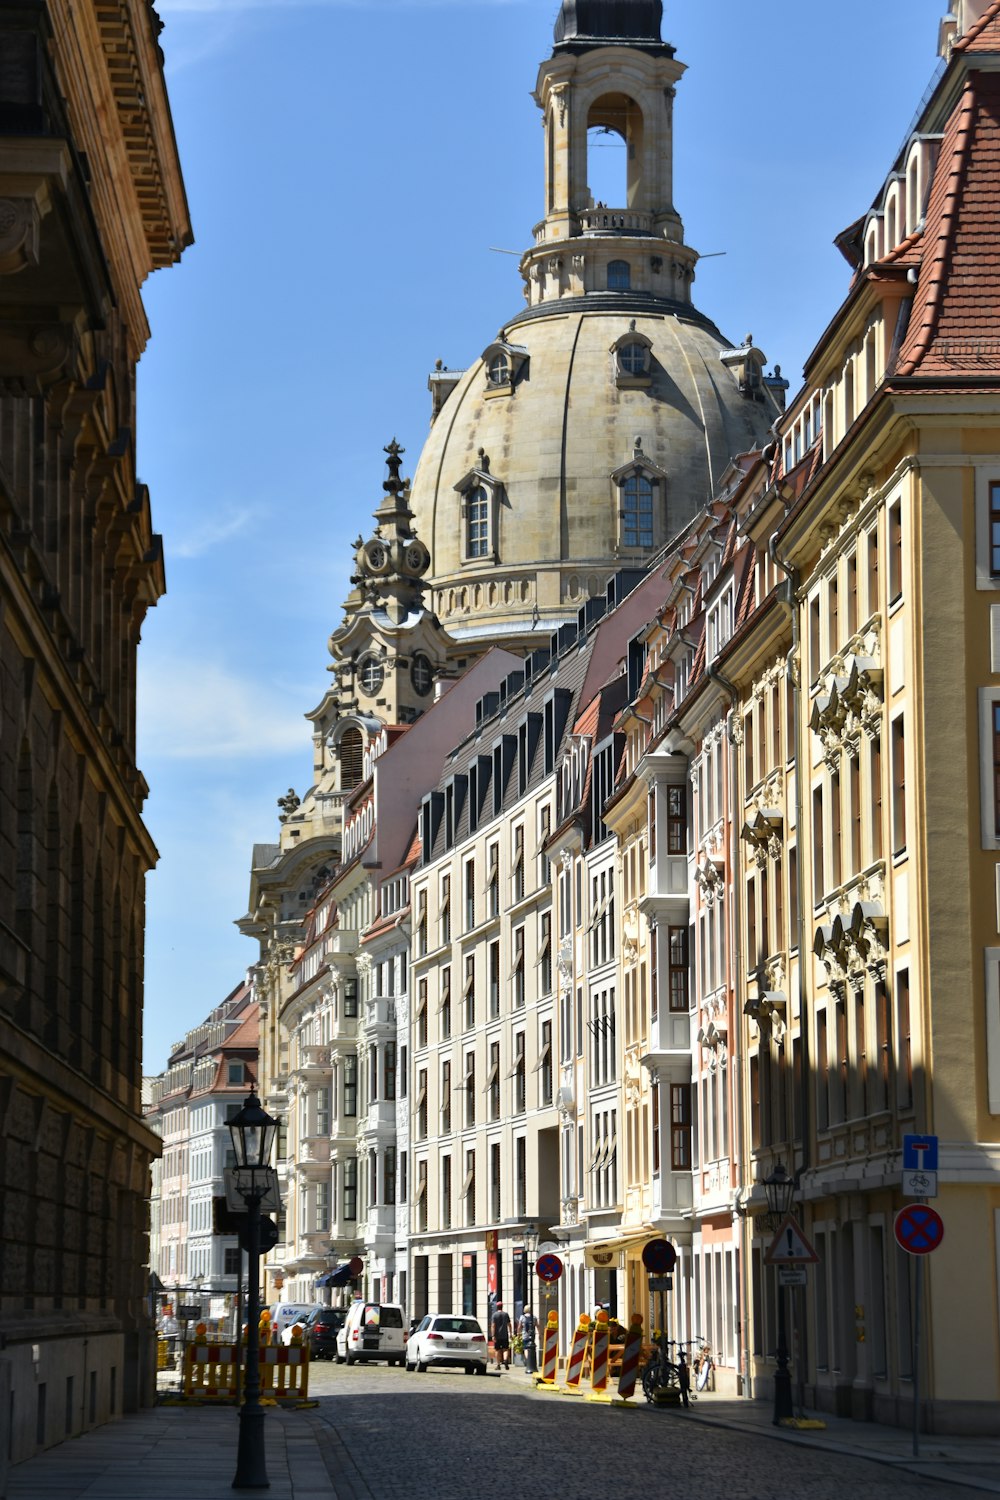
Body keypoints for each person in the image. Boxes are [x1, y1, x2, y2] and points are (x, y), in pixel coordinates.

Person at [491, 1300, 512, 1370]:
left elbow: (493, 1325)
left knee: (497, 1350)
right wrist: (510, 1333)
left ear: (497, 1307)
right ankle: (505, 1360)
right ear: (502, 1307)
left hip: (497, 1336)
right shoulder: (506, 1315)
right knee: (505, 1349)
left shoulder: (494, 1315)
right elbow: (509, 1324)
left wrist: (493, 1335)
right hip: (504, 1335)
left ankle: (498, 1364)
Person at [518, 1306, 537, 1375]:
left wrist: (518, 1333)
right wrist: (540, 1334)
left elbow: (519, 1326)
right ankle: (531, 1361)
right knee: (532, 1348)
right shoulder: (534, 1317)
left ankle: (528, 1360)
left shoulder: (522, 1317)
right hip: (532, 1335)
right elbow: (537, 1325)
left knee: (526, 1348)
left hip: (525, 1335)